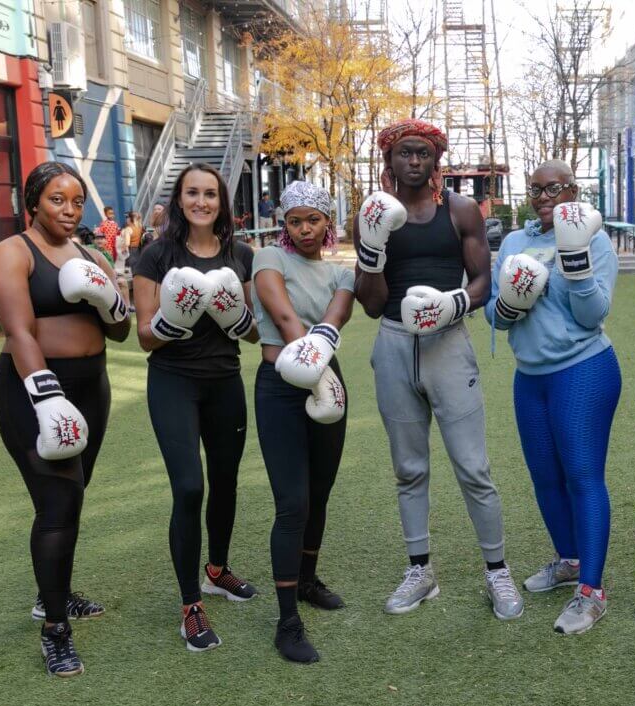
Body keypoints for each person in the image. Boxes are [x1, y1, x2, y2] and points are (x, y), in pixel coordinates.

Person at [353, 118, 522, 620]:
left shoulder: (460, 210)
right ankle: (420, 571)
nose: (413, 161)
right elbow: (370, 301)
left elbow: (482, 282)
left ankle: (497, 572)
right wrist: (371, 249)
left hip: (448, 341)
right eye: (404, 153)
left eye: (422, 153)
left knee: (473, 467)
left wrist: (451, 305)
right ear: (389, 159)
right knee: (409, 468)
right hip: (394, 342)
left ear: (435, 160)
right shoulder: (373, 213)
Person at [0, 161, 131, 676]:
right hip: (34, 390)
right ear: (33, 203)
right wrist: (46, 396)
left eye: (76, 201)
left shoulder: (92, 255)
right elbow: (20, 331)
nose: (69, 211)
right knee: (57, 503)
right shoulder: (11, 254)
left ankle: (58, 593)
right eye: (56, 200)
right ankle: (54, 628)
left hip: (93, 388)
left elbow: (119, 331)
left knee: (73, 494)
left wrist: (109, 298)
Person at [485, 160, 620, 635]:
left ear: (573, 191)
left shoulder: (596, 239)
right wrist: (506, 304)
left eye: (554, 188)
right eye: (536, 189)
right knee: (545, 476)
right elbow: (494, 318)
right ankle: (569, 561)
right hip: (531, 376)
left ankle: (592, 591)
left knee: (583, 476)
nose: (543, 197)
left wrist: (576, 260)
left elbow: (592, 315)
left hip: (583, 370)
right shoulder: (516, 243)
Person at [132, 163, 260, 652]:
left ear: (221, 201)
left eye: (210, 194)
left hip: (224, 381)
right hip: (173, 383)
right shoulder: (155, 256)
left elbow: (251, 332)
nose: (201, 202)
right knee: (189, 487)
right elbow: (145, 337)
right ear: (179, 199)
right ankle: (190, 605)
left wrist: (234, 315)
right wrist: (172, 320)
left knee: (225, 481)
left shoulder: (240, 255)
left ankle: (216, 570)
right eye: (192, 193)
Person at [252, 181, 353, 663]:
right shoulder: (268, 259)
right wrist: (314, 376)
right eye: (295, 220)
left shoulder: (340, 274)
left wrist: (323, 379)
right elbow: (286, 319)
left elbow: (335, 318)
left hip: (329, 384)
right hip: (282, 384)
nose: (304, 229)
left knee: (319, 492)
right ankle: (287, 619)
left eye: (313, 219)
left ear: (326, 222)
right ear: (284, 224)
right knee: (292, 502)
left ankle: (308, 580)